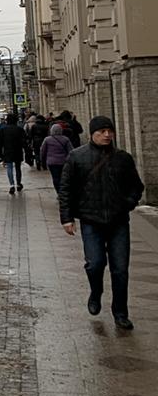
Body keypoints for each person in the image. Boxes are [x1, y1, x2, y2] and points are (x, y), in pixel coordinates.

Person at [59, 116, 146, 329]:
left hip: (118, 221)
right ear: (92, 133)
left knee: (120, 269)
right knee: (95, 263)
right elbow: (66, 190)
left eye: (110, 131)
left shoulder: (122, 158)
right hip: (91, 220)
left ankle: (120, 312)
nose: (107, 135)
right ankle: (96, 292)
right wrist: (67, 218)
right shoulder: (77, 157)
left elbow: (137, 186)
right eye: (102, 131)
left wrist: (128, 203)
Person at [40, 122, 74, 193]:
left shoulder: (47, 139)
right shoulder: (65, 139)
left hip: (52, 162)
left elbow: (43, 151)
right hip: (63, 162)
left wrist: (42, 162)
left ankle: (59, 192)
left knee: (55, 178)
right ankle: (64, 191)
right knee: (64, 178)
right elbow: (71, 151)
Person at [0, 113, 25, 194]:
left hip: (8, 151)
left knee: (9, 168)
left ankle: (11, 185)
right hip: (17, 151)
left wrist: (0, 154)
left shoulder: (3, 130)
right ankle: (18, 184)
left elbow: (0, 143)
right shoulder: (19, 129)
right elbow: (24, 141)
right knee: (18, 168)